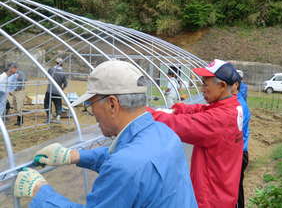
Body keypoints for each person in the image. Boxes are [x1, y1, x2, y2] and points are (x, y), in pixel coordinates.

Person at [14, 60, 197, 208]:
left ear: (112, 104)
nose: (91, 112)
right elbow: (127, 156)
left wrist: (41, 192)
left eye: (91, 104)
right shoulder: (163, 132)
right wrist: (75, 156)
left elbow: (126, 165)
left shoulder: (126, 165)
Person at [148, 59, 244, 208]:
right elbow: (201, 109)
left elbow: (180, 125)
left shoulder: (220, 119)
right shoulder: (232, 106)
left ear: (222, 86)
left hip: (211, 199)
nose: (202, 88)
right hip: (223, 192)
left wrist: (145, 113)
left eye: (206, 84)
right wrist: (177, 109)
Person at [232, 72, 251, 208]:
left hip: (239, 153)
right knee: (236, 188)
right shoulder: (237, 100)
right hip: (240, 151)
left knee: (235, 189)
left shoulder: (238, 105)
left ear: (235, 85)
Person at [44, 58, 67, 122]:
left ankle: (49, 116)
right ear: (62, 64)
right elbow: (65, 84)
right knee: (58, 104)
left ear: (55, 62)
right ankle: (58, 116)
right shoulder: (63, 73)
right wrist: (61, 89)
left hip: (49, 90)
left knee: (47, 103)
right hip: (58, 91)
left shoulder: (51, 70)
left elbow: (47, 77)